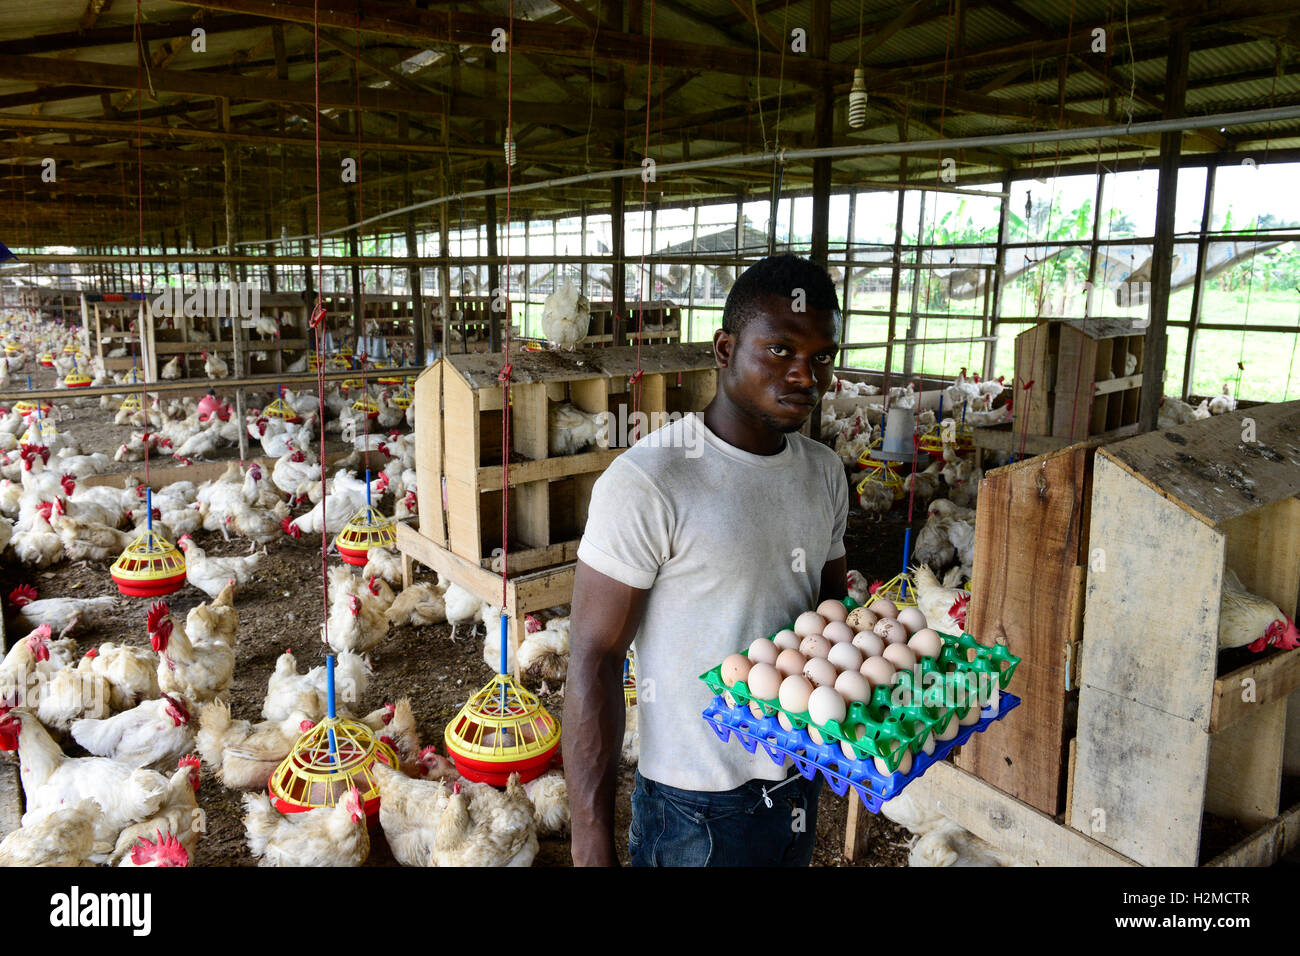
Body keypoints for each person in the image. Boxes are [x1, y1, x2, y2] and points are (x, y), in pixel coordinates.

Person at [564, 253, 850, 867]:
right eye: (780, 350)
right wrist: (590, 842)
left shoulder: (823, 471)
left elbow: (830, 619)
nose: (806, 376)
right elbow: (595, 658)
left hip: (797, 775)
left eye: (820, 356)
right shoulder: (651, 480)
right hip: (693, 805)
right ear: (724, 349)